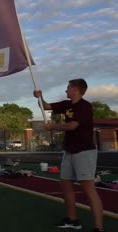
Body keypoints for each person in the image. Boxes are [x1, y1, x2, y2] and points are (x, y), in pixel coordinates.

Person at [34, 79, 105, 232]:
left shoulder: (85, 106)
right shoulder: (67, 104)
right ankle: (73, 220)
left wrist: (52, 127)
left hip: (84, 151)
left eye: (68, 88)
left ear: (75, 89)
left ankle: (98, 227)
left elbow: (72, 125)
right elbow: (46, 106)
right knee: (65, 184)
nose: (66, 90)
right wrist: (39, 97)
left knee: (88, 187)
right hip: (69, 151)